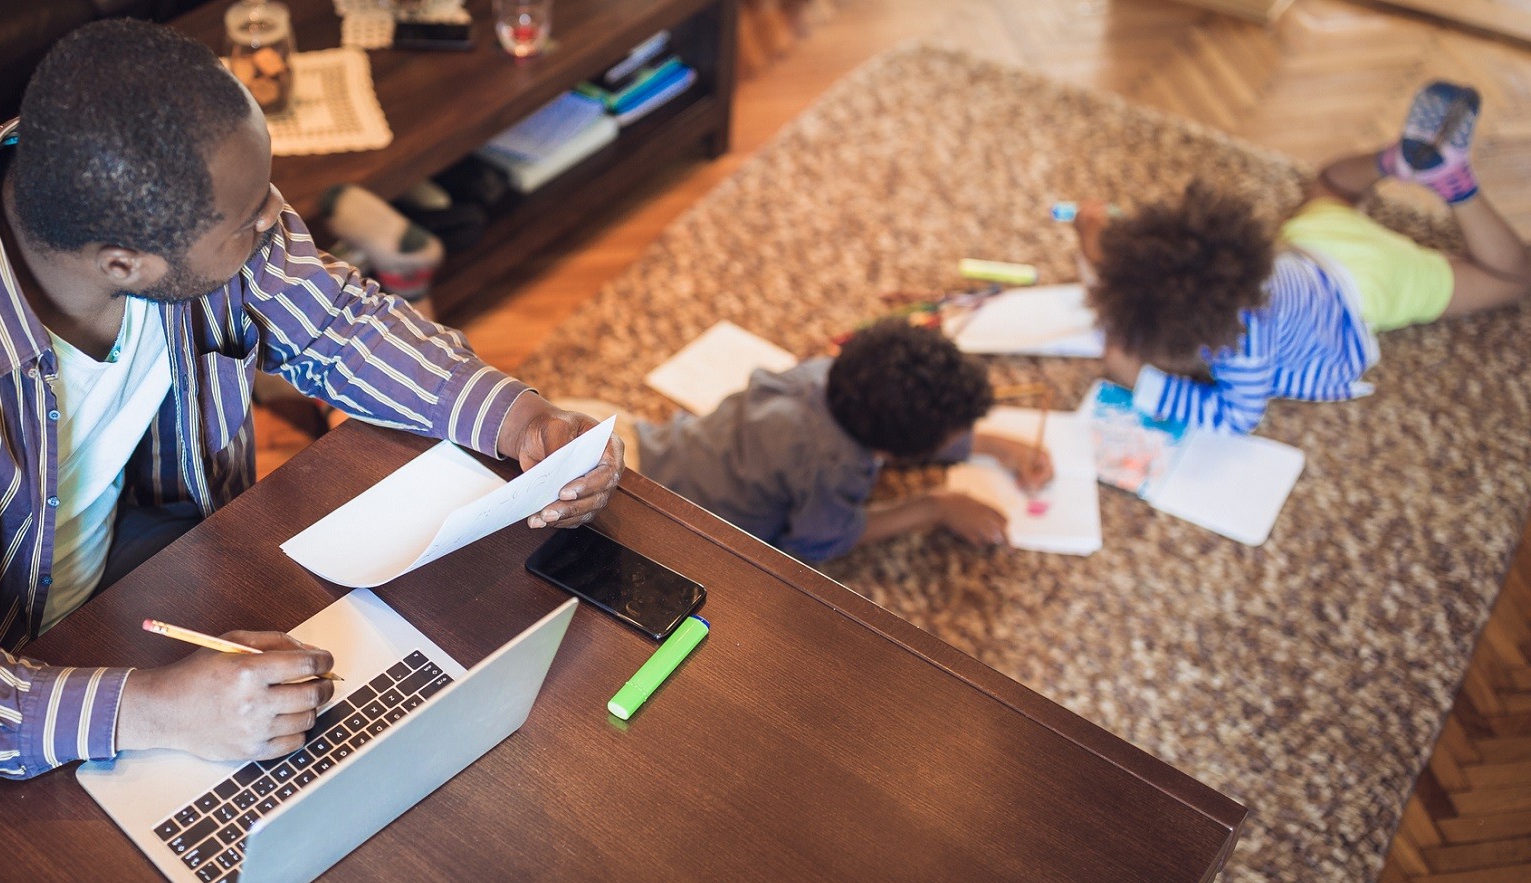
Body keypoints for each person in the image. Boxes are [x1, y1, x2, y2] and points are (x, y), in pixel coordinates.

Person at [0, 20, 621, 794]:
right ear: (124, 264)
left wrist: (515, 418)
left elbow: (338, 323)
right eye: (245, 223)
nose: (274, 222)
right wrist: (153, 707)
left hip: (154, 581)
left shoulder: (134, 185)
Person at [1079, 80, 1531, 435]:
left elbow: (1237, 416)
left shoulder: (1241, 348)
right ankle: (1397, 162)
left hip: (1369, 284)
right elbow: (1121, 261)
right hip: (1315, 241)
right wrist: (1092, 231)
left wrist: (1142, 379)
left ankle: (1453, 183)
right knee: (1331, 185)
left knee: (1511, 277)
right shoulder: (1202, 268)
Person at [607, 318, 1051, 563]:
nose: (962, 438)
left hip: (638, 440)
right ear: (892, 452)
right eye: (953, 436)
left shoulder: (824, 374)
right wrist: (935, 506)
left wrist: (988, 444)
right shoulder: (834, 467)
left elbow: (894, 422)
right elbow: (821, 541)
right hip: (649, 509)